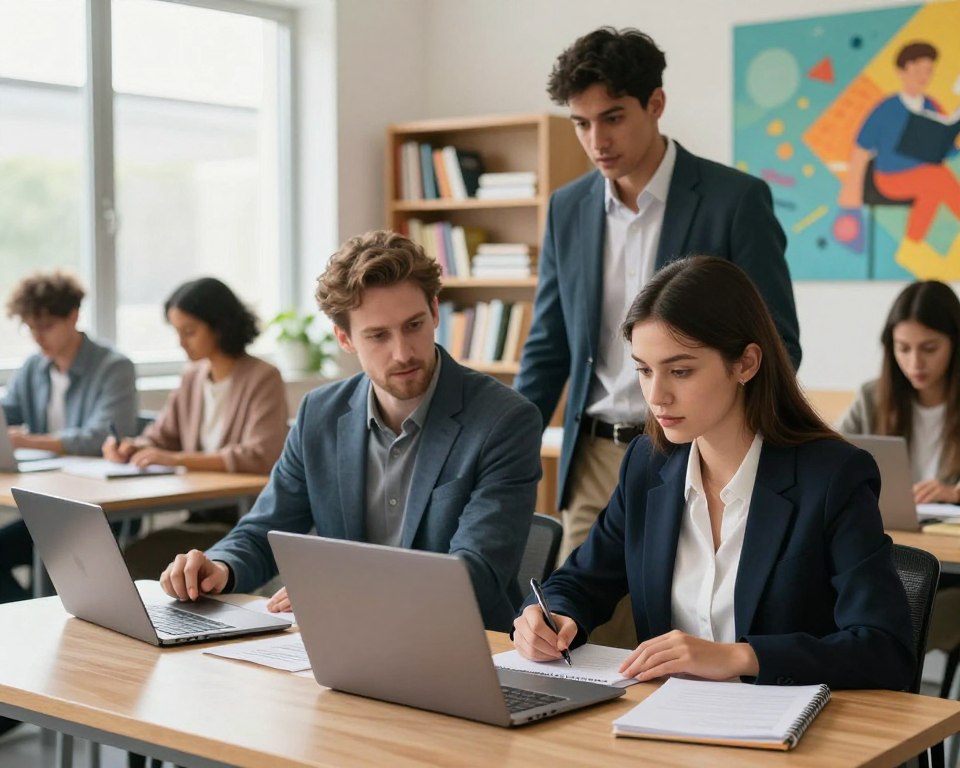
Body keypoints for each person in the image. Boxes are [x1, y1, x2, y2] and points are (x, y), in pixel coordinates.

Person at [514, 26, 800, 647]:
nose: (598, 140)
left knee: (697, 624)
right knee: (577, 635)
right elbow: (548, 345)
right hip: (596, 453)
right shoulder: (569, 208)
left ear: (656, 104)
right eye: (581, 123)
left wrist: (738, 440)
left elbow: (776, 339)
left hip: (704, 447)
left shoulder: (733, 199)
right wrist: (507, 448)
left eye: (612, 118)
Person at [512, 256, 914, 690]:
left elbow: (884, 649)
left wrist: (739, 657)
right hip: (664, 727)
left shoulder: (833, 477)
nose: (656, 395)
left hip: (788, 737)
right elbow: (582, 581)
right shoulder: (648, 465)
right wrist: (551, 615)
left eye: (680, 371)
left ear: (746, 363)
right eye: (644, 371)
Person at [157, 230, 542, 632]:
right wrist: (221, 566)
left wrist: (344, 590)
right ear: (344, 338)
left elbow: (476, 572)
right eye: (378, 335)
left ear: (434, 311)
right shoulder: (319, 414)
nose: (403, 352)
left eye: (413, 325)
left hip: (460, 642)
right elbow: (265, 529)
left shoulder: (505, 420)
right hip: (343, 641)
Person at [102, 277, 289, 578]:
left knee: (133, 559)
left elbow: (260, 455)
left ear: (220, 326)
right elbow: (163, 436)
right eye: (176, 332)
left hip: (242, 522)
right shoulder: (193, 376)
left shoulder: (262, 377)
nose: (181, 342)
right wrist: (132, 447)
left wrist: (176, 460)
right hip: (200, 513)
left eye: (189, 331)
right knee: (123, 556)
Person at [835, 42, 960, 275]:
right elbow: (861, 148)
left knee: (934, 183)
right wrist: (850, 190)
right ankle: (912, 247)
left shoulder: (931, 106)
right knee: (938, 178)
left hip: (927, 176)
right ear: (903, 70)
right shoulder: (887, 108)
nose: (924, 76)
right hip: (889, 179)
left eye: (929, 70)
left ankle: (911, 247)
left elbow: (945, 149)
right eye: (918, 69)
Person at [839, 280, 960, 501]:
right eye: (903, 348)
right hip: (885, 530)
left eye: (929, 348)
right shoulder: (870, 398)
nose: (915, 362)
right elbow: (829, 457)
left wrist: (954, 494)